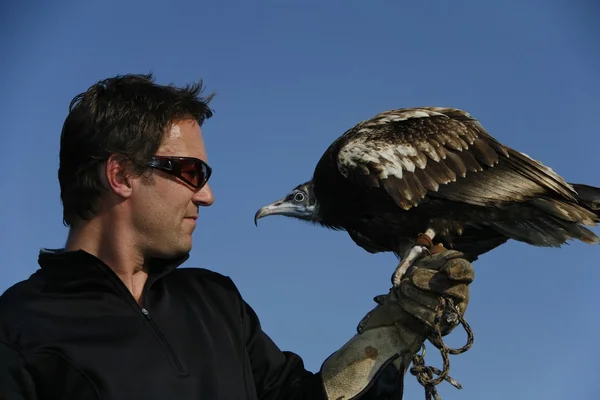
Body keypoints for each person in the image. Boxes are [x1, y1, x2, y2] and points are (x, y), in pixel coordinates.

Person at [0, 74, 474, 400]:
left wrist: (394, 334)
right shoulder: (18, 330)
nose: (206, 196)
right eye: (189, 171)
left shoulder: (215, 302)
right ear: (121, 174)